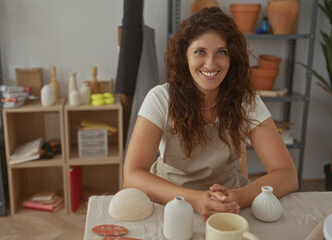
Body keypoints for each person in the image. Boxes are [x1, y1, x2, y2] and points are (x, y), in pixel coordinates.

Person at [123, 7, 298, 220]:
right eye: (200, 52)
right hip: (170, 203)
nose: (211, 64)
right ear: (184, 56)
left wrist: (237, 197)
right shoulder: (160, 99)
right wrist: (194, 199)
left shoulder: (246, 101)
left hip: (229, 205)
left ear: (232, 57)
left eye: (221, 52)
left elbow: (287, 175)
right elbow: (131, 176)